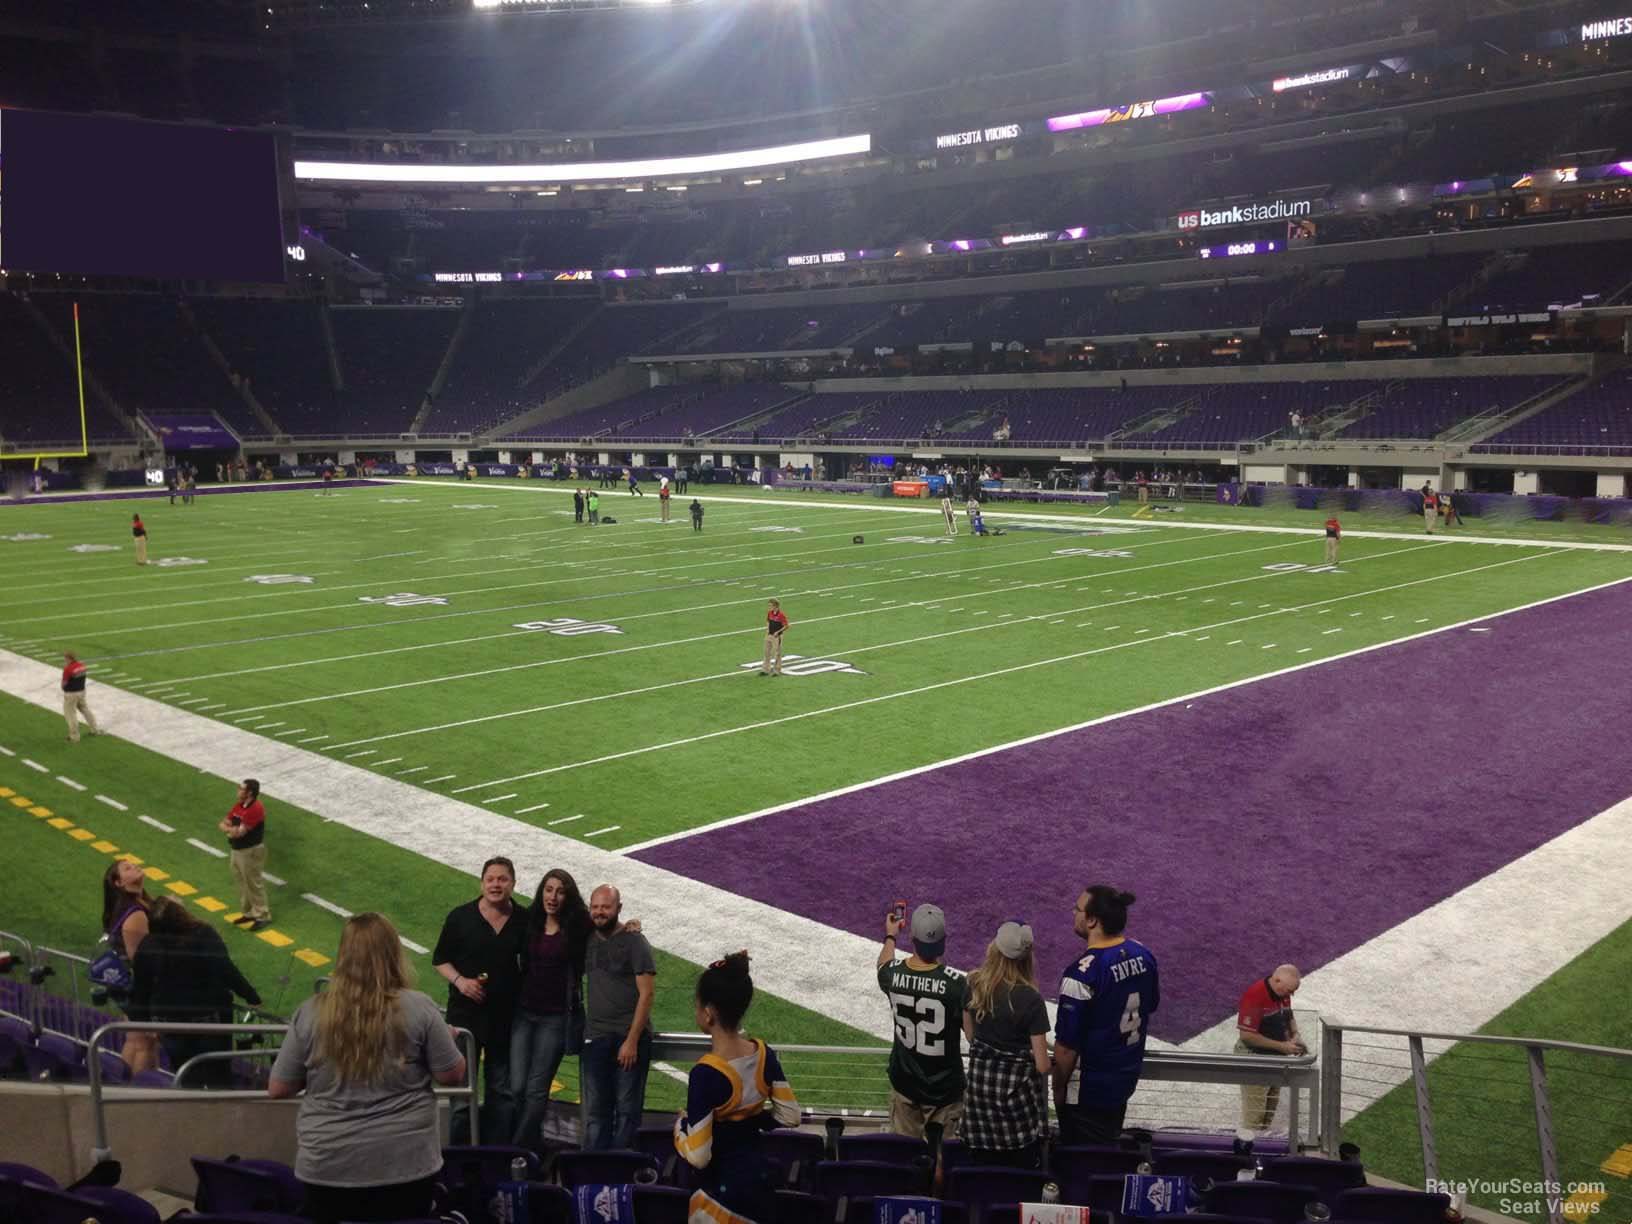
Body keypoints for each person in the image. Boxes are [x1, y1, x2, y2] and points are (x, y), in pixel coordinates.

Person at [269, 913, 466, 1224]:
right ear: (393, 953)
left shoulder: (310, 1012)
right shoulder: (419, 1007)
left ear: (343, 954)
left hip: (326, 1165)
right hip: (405, 1165)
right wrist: (447, 1040)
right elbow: (452, 1074)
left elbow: (279, 1087)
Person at [675, 953, 800, 1222]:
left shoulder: (705, 1073)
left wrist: (680, 1129)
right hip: (759, 1185)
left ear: (708, 1013)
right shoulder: (764, 1053)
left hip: (718, 1197)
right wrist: (751, 1119)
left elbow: (698, 1156)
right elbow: (790, 1115)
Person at [1052, 885, 1159, 1145]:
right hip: (1125, 1076)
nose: (1073, 912)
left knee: (1082, 1162)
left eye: (1077, 909)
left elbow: (1066, 1048)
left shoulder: (1082, 974)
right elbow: (1151, 1005)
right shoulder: (1144, 955)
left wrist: (1057, 1090)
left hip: (1089, 1088)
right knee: (1108, 1143)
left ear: (1092, 920)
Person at [432, 857, 526, 1145]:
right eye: (491, 879)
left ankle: (496, 1159)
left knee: (502, 1093)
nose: (496, 884)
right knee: (461, 1095)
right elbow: (440, 960)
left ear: (513, 883)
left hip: (505, 1021)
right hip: (465, 1020)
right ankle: (461, 1163)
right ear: (482, 882)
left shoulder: (524, 920)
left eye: (502, 879)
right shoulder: (460, 917)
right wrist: (461, 982)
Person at [131, 896, 261, 1086]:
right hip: (208, 1019)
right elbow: (225, 969)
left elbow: (140, 989)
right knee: (219, 1075)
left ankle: (194, 1111)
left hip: (169, 1024)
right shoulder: (202, 934)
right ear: (179, 913)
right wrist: (251, 996)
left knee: (186, 1076)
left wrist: (143, 1023)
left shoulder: (148, 944)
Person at [510, 868, 590, 1151]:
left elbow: (606, 928)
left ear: (568, 896)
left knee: (535, 1089)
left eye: (560, 891)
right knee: (517, 1086)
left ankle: (517, 1152)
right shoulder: (530, 921)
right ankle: (530, 1144)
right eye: (548, 889)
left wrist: (629, 926)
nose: (552, 896)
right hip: (524, 1013)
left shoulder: (578, 927)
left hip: (555, 1018)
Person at [961, 921, 1050, 1168]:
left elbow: (971, 1037)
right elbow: (1042, 1066)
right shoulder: (1032, 1000)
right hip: (1015, 1119)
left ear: (995, 949)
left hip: (979, 1111)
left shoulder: (973, 985)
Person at [877, 904, 966, 1139]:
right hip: (945, 1090)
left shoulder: (892, 974)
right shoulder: (958, 985)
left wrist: (890, 936)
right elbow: (973, 1035)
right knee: (943, 1163)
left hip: (906, 1084)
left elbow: (883, 965)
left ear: (913, 938)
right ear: (943, 941)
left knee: (905, 1160)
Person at [580, 885, 656, 1151]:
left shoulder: (635, 941)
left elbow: (646, 995)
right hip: (595, 1038)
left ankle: (620, 1177)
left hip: (628, 1040)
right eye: (596, 907)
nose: (600, 912)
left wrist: (632, 1041)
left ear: (619, 909)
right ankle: (592, 1176)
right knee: (595, 1114)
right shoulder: (587, 936)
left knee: (627, 1113)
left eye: (606, 907)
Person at [1235, 964, 1307, 1137]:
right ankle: (1247, 1155)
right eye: (1289, 990)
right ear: (1276, 980)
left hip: (1274, 1057)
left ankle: (1260, 1146)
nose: (1291, 995)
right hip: (1254, 1058)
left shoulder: (1282, 992)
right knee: (1255, 1114)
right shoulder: (1255, 995)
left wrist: (1295, 1034)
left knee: (1269, 1107)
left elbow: (1289, 1014)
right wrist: (1283, 1046)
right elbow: (1247, 1036)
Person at [101, 860, 158, 1073]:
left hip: (124, 985)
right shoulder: (135, 912)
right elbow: (140, 960)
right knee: (146, 1044)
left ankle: (123, 1085)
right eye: (127, 868)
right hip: (137, 988)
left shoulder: (131, 904)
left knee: (134, 1039)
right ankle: (142, 1093)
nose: (134, 866)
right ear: (118, 883)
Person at [219, 779, 271, 931]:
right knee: (242, 882)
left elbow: (238, 833)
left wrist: (230, 830)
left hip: (250, 851)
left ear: (249, 793)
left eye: (241, 789)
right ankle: (249, 912)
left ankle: (263, 915)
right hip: (237, 851)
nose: (238, 790)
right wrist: (230, 830)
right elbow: (223, 823)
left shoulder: (255, 809)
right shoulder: (239, 806)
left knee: (254, 883)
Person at [61, 651, 100, 742]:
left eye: (65, 658)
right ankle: (95, 729)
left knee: (71, 715)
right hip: (82, 692)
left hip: (71, 694)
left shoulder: (68, 669)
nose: (65, 660)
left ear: (69, 658)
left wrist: (64, 689)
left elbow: (64, 683)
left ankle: (74, 737)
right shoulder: (82, 666)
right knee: (85, 710)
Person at [760, 599, 788, 677]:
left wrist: (778, 632)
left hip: (777, 636)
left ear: (775, 606)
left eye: (770, 605)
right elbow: (768, 621)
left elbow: (786, 626)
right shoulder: (770, 613)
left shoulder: (781, 615)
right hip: (769, 635)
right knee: (766, 652)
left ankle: (776, 670)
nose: (769, 607)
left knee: (777, 653)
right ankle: (765, 669)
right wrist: (767, 630)